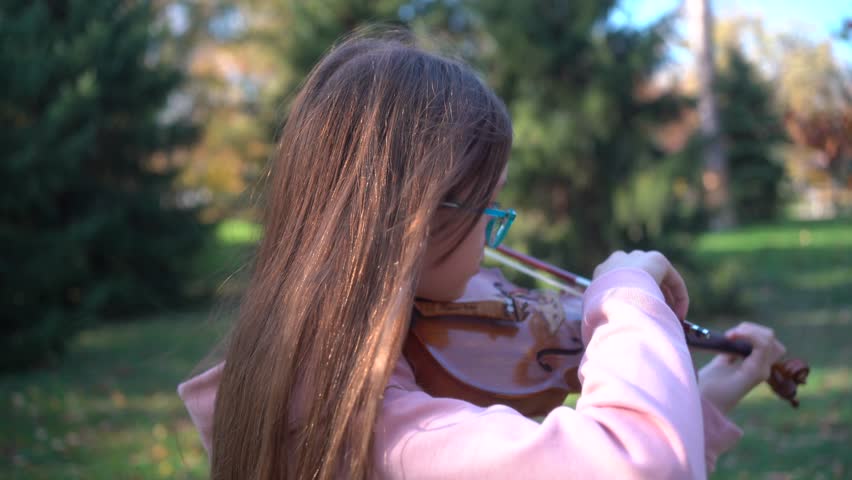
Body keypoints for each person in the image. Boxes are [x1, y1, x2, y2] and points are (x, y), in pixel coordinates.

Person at [178, 32, 787, 480]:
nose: (493, 263)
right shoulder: (380, 432)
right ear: (414, 224)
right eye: (488, 214)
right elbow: (638, 467)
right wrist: (624, 293)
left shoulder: (293, 385)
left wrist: (698, 398)